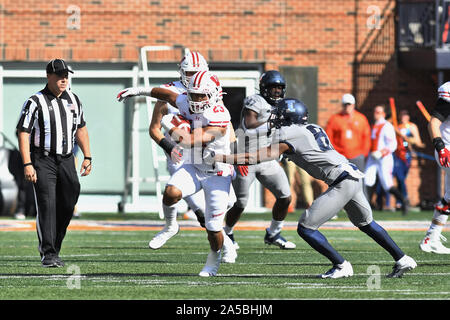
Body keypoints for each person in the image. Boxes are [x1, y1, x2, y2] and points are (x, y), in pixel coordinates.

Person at [209, 98, 417, 279]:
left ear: (288, 118)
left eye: (279, 116)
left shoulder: (290, 133)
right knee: (367, 224)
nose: (275, 119)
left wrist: (221, 157)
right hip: (352, 176)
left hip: (341, 181)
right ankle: (403, 258)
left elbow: (253, 157)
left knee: (306, 228)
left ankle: (341, 265)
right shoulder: (310, 128)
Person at [117, 70, 237, 276]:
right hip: (194, 166)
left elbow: (189, 140)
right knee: (171, 192)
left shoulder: (218, 116)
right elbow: (166, 95)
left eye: (202, 95)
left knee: (213, 228)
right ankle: (170, 225)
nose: (196, 99)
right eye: (193, 94)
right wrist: (137, 91)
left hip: (217, 174)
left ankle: (213, 259)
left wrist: (171, 125)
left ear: (214, 95)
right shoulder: (186, 100)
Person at [16, 59, 92, 267]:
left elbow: (81, 128)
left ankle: (55, 246)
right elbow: (23, 132)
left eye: (66, 75)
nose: (64, 79)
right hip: (43, 159)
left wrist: (87, 155)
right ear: (49, 76)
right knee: (47, 204)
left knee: (69, 202)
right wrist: (27, 163)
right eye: (59, 75)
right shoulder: (35, 101)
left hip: (67, 159)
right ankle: (48, 253)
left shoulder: (74, 100)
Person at [223, 70, 295, 250]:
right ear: (264, 88)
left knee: (285, 197)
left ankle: (274, 233)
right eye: (273, 88)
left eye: (279, 88)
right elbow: (249, 127)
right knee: (240, 203)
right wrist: (273, 122)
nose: (277, 91)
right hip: (246, 158)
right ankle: (227, 232)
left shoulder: (282, 106)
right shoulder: (255, 101)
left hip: (267, 159)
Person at [147, 50, 209, 249]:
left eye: (197, 72)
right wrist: (169, 146)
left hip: (206, 153)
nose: (193, 78)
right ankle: (225, 245)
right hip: (180, 154)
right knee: (198, 206)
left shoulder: (211, 89)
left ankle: (224, 238)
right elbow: (154, 129)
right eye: (190, 73)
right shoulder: (170, 92)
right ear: (182, 73)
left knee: (223, 202)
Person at [419, 82, 450, 254]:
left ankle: (431, 238)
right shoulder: (449, 92)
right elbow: (433, 123)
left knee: (449, 198)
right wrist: (440, 147)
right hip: (447, 149)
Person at [364, 105, 409, 215]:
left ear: (384, 114)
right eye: (375, 111)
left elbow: (392, 144)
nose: (376, 114)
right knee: (367, 179)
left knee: (386, 183)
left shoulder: (387, 126)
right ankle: (366, 206)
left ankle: (403, 201)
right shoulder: (374, 125)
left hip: (384, 158)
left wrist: (381, 152)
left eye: (379, 112)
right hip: (373, 157)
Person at [325, 93, 371, 172]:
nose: (347, 107)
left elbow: (366, 136)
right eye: (345, 105)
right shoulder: (335, 119)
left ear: (353, 105)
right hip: (340, 156)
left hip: (357, 155)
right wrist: (333, 152)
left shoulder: (361, 118)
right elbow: (328, 137)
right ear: (342, 105)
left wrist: (364, 153)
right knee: (340, 180)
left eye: (349, 105)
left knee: (358, 180)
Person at [393, 109, 425, 209]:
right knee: (400, 178)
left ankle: (400, 200)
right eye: (402, 115)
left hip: (406, 155)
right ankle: (403, 200)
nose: (404, 117)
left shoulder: (411, 126)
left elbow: (418, 141)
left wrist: (411, 140)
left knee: (402, 179)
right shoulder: (396, 126)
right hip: (396, 155)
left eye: (406, 115)